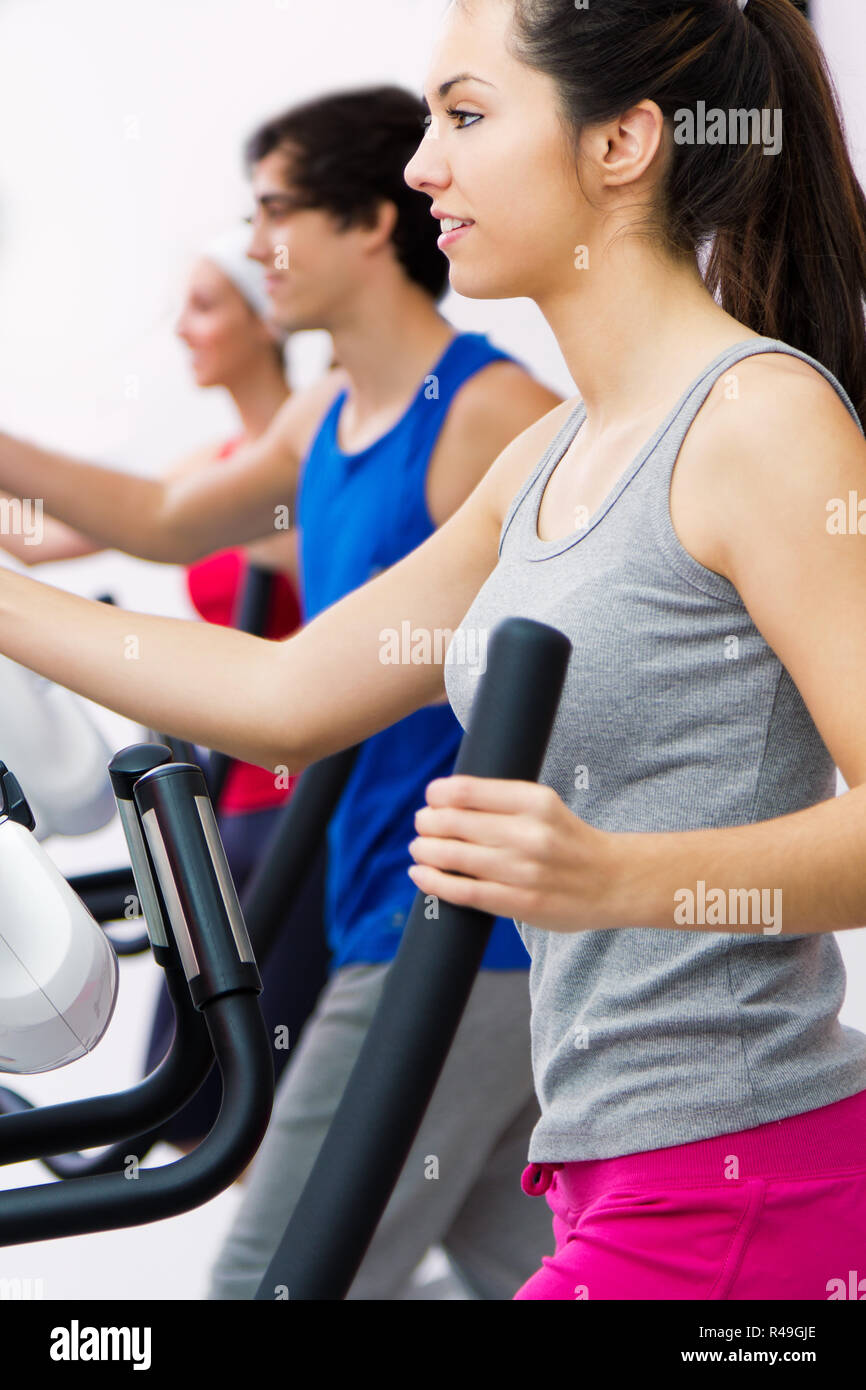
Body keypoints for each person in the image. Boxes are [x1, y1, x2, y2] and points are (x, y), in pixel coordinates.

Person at [1, 0, 863, 1301]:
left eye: (464, 115)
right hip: (605, 1167)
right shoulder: (548, 460)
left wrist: (609, 874)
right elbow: (284, 694)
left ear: (620, 141)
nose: (419, 167)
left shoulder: (758, 424)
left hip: (735, 1174)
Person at [0, 80, 562, 1299]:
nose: (255, 248)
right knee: (524, 1268)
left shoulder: (492, 416)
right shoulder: (324, 417)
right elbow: (153, 517)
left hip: (462, 935)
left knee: (270, 1285)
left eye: (273, 212)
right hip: (382, 907)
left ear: (367, 221)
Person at [0, 228, 331, 1154]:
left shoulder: (327, 443)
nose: (180, 329)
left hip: (317, 801)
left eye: (204, 304)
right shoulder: (212, 467)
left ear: (266, 315)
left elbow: (354, 568)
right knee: (201, 1102)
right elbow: (44, 534)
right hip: (236, 808)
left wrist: (203, 534)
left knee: (214, 1105)